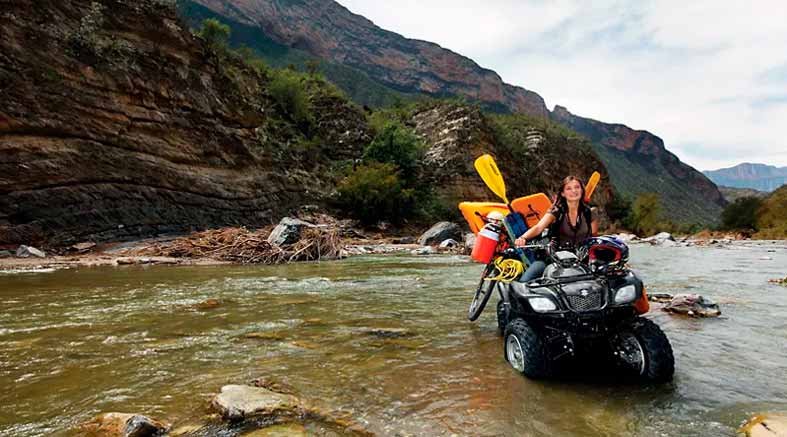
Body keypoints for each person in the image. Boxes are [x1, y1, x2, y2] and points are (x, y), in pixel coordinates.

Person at [514, 176, 599, 282]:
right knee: (523, 283)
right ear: (563, 193)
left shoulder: (590, 213)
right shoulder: (556, 211)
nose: (574, 191)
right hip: (552, 259)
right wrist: (523, 238)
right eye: (569, 188)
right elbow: (538, 227)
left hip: (581, 261)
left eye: (577, 187)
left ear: (582, 190)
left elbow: (594, 239)